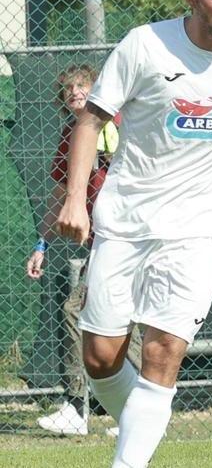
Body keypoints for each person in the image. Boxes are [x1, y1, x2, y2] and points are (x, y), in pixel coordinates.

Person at [55, 0, 212, 468]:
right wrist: (75, 202)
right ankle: (141, 430)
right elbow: (91, 121)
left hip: (198, 228)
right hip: (126, 221)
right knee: (100, 358)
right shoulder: (144, 46)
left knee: (162, 352)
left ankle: (130, 460)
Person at [25, 64, 140, 436]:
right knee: (124, 320)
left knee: (78, 310)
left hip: (130, 235)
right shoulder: (68, 137)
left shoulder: (118, 123)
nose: (75, 92)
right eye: (68, 88)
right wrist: (41, 244)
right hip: (104, 242)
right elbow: (60, 196)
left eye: (82, 86)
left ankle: (80, 408)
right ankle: (136, 412)